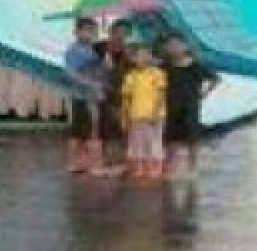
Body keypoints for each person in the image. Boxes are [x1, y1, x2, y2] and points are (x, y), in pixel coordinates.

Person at [162, 34, 220, 178]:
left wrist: (204, 92)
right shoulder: (165, 67)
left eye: (176, 45)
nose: (173, 48)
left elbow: (215, 79)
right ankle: (170, 166)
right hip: (171, 105)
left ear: (185, 47)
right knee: (171, 137)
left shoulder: (195, 66)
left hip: (191, 106)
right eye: (170, 46)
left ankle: (192, 167)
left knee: (192, 137)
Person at [120, 41, 167, 179]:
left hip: (155, 115)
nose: (143, 58)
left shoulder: (157, 73)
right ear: (133, 59)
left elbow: (161, 95)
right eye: (139, 56)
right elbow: (127, 98)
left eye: (146, 55)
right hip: (136, 115)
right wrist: (126, 116)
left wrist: (155, 113)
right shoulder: (130, 76)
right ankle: (140, 168)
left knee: (154, 141)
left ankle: (155, 167)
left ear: (151, 57)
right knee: (137, 143)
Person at [63, 17, 104, 173]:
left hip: (92, 96)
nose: (90, 34)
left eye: (93, 31)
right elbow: (70, 74)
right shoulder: (73, 51)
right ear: (76, 32)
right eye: (86, 30)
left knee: (90, 129)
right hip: (81, 96)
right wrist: (91, 84)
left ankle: (85, 162)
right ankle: (76, 162)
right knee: (80, 131)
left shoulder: (93, 50)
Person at [93, 19, 133, 174]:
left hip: (124, 91)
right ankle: (105, 161)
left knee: (123, 126)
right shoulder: (99, 47)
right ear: (110, 31)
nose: (120, 36)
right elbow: (89, 65)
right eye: (117, 32)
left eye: (124, 33)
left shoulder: (130, 50)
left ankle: (123, 161)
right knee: (104, 126)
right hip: (104, 91)